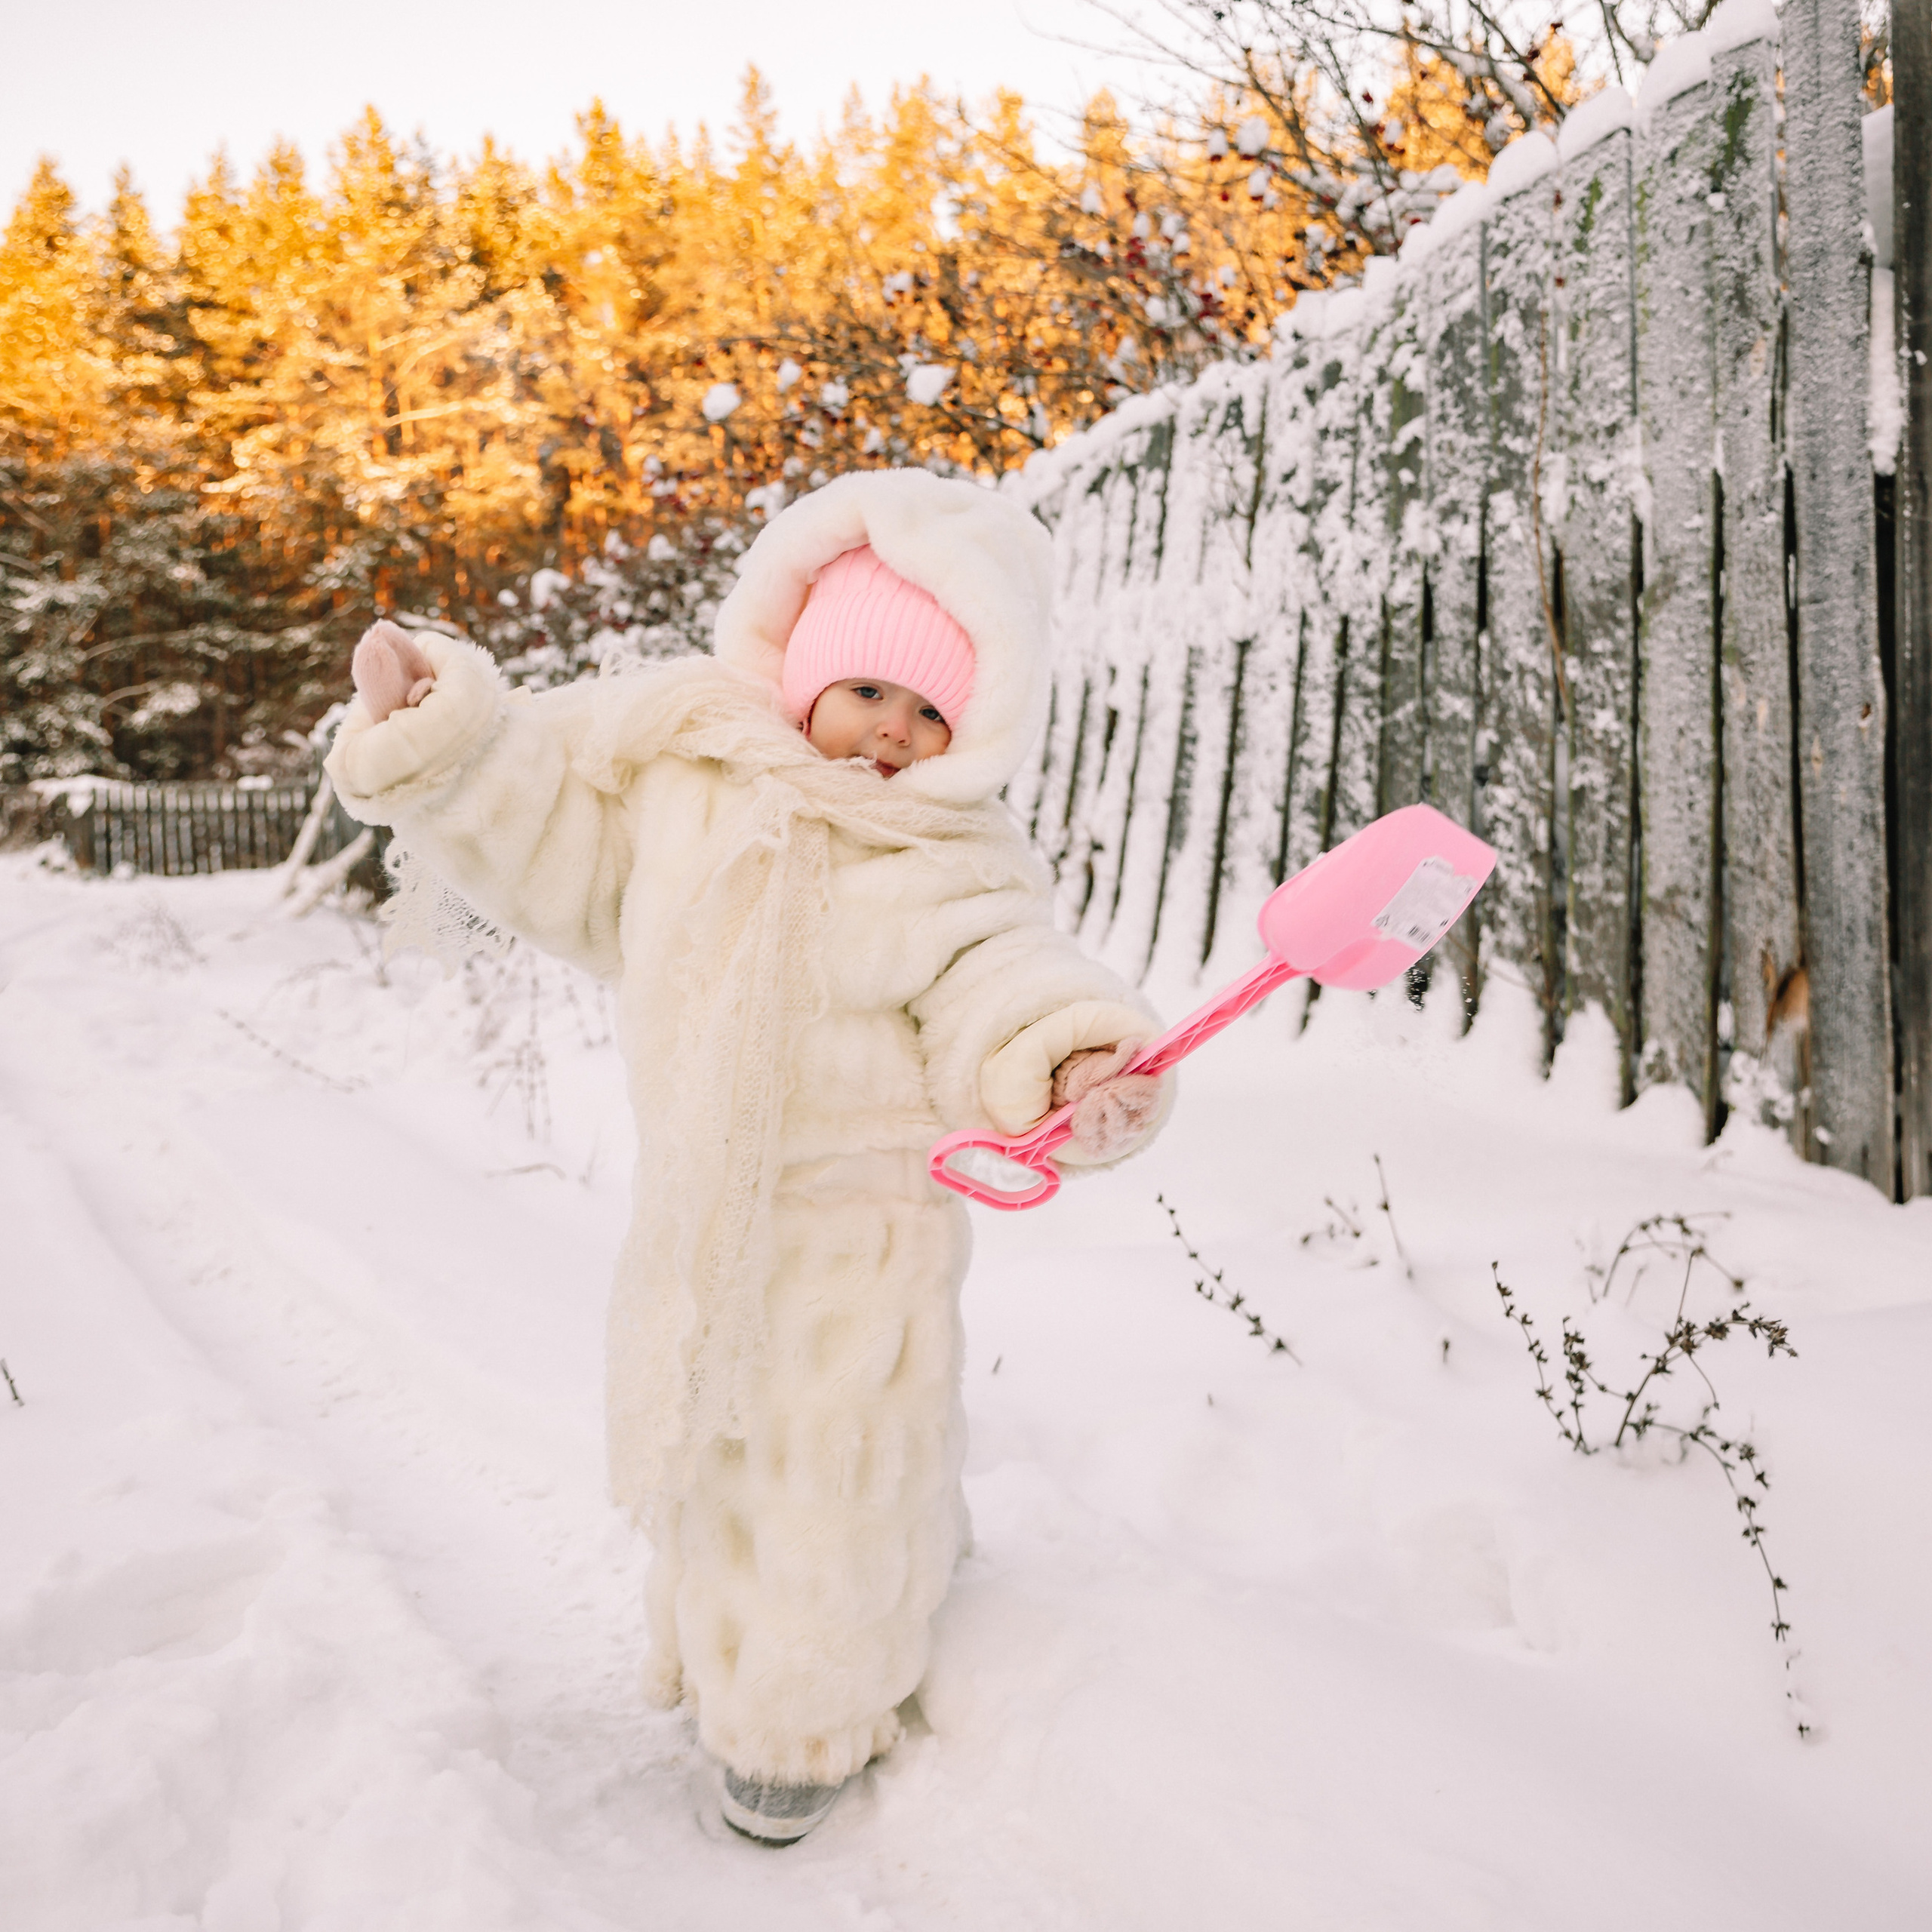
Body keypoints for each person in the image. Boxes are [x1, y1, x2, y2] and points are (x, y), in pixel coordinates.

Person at [326, 468, 1171, 1844]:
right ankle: (729, 1638)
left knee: (840, 1458)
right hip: (708, 1208)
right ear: (802, 672)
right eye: (869, 694)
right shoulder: (687, 785)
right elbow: (554, 850)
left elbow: (997, 976)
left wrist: (1066, 1060)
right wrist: (447, 734)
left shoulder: (947, 852)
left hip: (864, 1224)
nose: (891, 735)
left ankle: (804, 1720)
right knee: (719, 1446)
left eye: (929, 711)